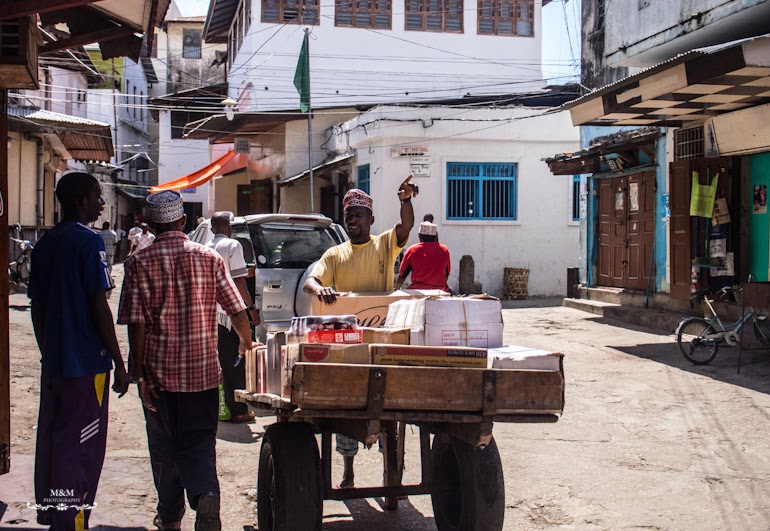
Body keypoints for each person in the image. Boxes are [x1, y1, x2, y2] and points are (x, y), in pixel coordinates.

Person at [118, 191, 254, 531]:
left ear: (149, 224)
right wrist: (247, 343)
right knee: (199, 442)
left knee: (164, 450)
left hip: (159, 378)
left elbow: (137, 323)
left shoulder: (137, 263)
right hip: (203, 377)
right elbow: (237, 308)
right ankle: (206, 494)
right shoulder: (209, 258)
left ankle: (170, 518)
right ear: (182, 222)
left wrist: (138, 373)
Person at [28, 171, 130, 528]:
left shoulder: (44, 243)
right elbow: (99, 305)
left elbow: (36, 307)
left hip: (56, 364)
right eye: (97, 197)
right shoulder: (90, 242)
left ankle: (55, 514)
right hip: (86, 366)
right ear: (79, 201)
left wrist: (49, 350)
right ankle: (72, 521)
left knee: (55, 441)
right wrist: (120, 362)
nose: (102, 203)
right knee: (81, 448)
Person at [303, 177, 417, 488]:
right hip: (348, 344)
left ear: (371, 220)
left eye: (358, 214)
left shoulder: (384, 244)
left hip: (384, 341)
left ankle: (391, 476)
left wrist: (405, 200)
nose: (352, 220)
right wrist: (320, 288)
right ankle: (348, 472)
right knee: (348, 406)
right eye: (348, 215)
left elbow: (406, 226)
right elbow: (310, 282)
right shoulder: (335, 254)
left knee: (391, 413)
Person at [206, 211, 260, 423]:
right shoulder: (233, 246)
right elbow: (238, 281)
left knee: (222, 361)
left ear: (212, 228)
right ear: (229, 227)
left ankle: (225, 407)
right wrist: (251, 309)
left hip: (212, 313)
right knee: (237, 360)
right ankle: (238, 410)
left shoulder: (206, 246)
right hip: (230, 313)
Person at [395, 221, 451, 291]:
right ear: (435, 236)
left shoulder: (412, 250)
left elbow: (402, 274)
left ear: (420, 236)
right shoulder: (444, 250)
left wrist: (396, 289)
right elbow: (447, 273)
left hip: (418, 291)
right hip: (440, 290)